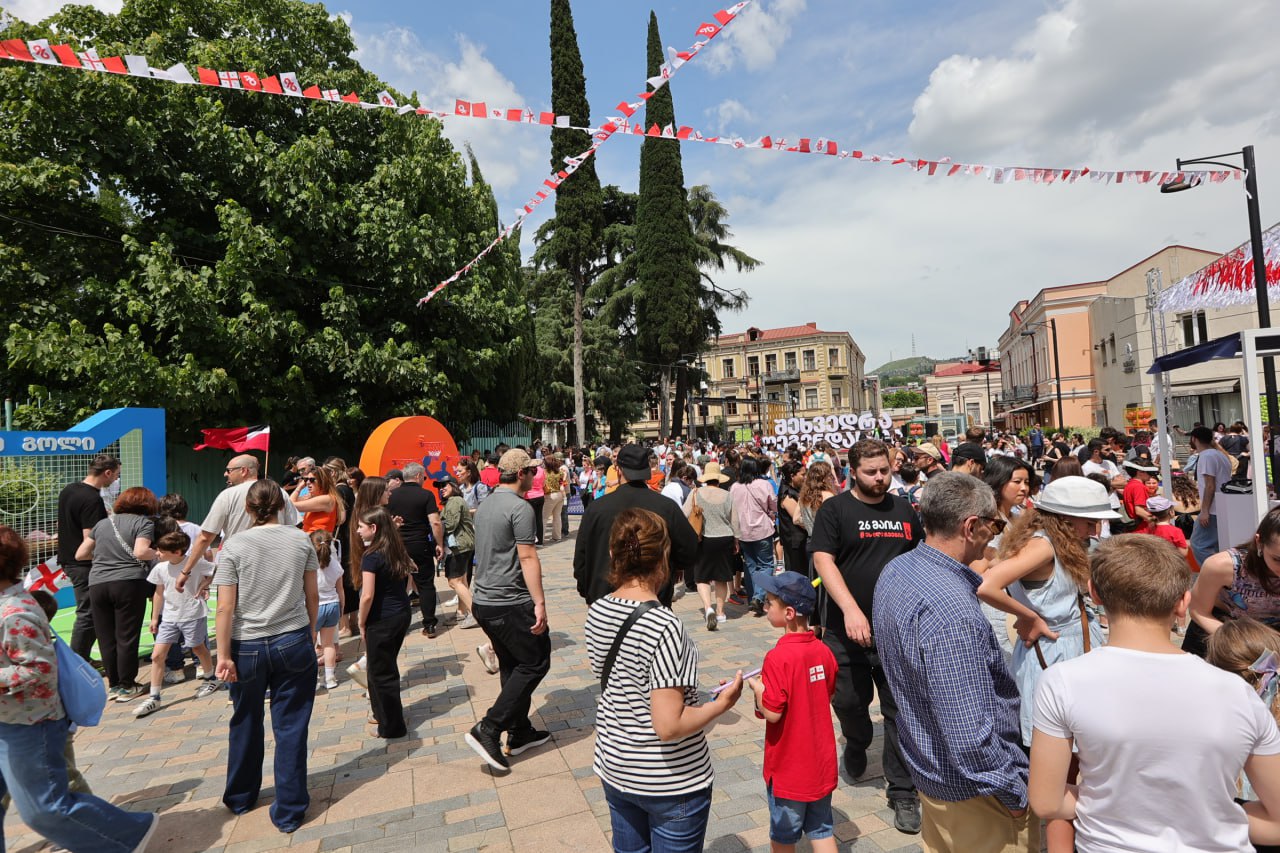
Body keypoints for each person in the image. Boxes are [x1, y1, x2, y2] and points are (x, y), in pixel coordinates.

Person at [1030, 534, 1280, 852]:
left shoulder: (1062, 681)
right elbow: (1276, 822)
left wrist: (1118, 804)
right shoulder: (1238, 692)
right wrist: (1207, 814)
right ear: (1183, 603)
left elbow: (1047, 802)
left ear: (1094, 593)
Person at [875, 473, 1038, 853]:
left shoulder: (897, 569)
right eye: (994, 525)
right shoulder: (952, 612)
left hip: (933, 774)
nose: (993, 535)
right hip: (977, 795)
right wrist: (1015, 795)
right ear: (971, 526)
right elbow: (969, 736)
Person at [585, 508, 743, 851]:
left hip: (616, 762)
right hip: (670, 780)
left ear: (613, 553)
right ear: (664, 558)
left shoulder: (598, 610)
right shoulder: (665, 626)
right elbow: (669, 726)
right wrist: (721, 705)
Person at [0, 525, 161, 851]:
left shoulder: (14, 614)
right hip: (11, 719)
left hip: (29, 724)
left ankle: (130, 833)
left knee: (45, 808)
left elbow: (38, 671)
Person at [809, 438, 924, 834]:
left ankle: (902, 790)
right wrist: (851, 609)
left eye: (884, 471)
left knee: (900, 711)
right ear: (853, 472)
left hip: (896, 630)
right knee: (849, 702)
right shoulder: (835, 510)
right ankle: (856, 741)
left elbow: (920, 556)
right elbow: (822, 559)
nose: (879, 478)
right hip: (845, 631)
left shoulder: (904, 509)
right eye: (870, 472)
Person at [214, 479, 319, 834]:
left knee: (245, 718)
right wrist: (311, 632)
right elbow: (312, 595)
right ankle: (289, 809)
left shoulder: (234, 546)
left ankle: (241, 796)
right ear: (283, 506)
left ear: (248, 508)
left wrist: (223, 654)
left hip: (246, 644)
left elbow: (225, 606)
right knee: (291, 726)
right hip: (293, 638)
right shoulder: (300, 539)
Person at [977, 477, 1112, 747]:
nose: (1095, 530)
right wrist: (1029, 617)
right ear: (1064, 519)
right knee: (1059, 741)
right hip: (1054, 651)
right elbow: (987, 585)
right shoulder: (1043, 546)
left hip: (1064, 649)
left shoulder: (1052, 543)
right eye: (1089, 522)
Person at [465, 448, 552, 772]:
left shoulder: (486, 503)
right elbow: (527, 557)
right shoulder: (520, 507)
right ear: (520, 474)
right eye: (531, 471)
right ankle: (489, 727)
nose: (535, 475)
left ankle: (519, 731)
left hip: (484, 601)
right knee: (535, 661)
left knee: (512, 665)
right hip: (509, 601)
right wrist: (539, 602)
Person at [747, 572, 838, 853]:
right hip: (820, 765)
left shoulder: (778, 658)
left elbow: (772, 712)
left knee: (784, 836)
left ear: (788, 613)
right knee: (821, 830)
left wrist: (757, 689)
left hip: (789, 769)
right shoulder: (824, 651)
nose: (764, 606)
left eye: (769, 602)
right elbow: (827, 694)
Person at [575, 444, 699, 608]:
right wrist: (672, 566)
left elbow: (581, 560)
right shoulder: (666, 506)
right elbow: (689, 550)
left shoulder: (596, 509)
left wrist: (589, 592)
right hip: (653, 598)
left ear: (619, 470)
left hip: (605, 598)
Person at [76, 486, 159, 701]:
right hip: (128, 583)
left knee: (106, 636)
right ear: (146, 504)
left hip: (97, 583)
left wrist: (104, 557)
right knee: (127, 635)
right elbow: (141, 551)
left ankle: (113, 684)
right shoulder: (143, 523)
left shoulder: (103, 524)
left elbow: (81, 554)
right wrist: (158, 554)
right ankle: (127, 684)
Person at [178, 455, 299, 592]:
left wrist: (185, 571)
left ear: (243, 470)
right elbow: (292, 528)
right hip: (275, 567)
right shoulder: (280, 493)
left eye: (229, 470)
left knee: (231, 605)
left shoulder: (228, 495)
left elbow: (205, 537)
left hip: (236, 568)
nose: (225, 474)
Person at [133, 531, 220, 718]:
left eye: (161, 551)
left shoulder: (195, 563)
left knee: (198, 648)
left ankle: (211, 678)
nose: (157, 553)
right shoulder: (160, 568)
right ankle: (154, 696)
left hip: (192, 614)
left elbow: (215, 569)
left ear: (177, 552)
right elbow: (158, 593)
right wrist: (154, 618)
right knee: (157, 655)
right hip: (169, 617)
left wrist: (205, 585)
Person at [1188, 507, 1280, 657]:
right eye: (1277, 559)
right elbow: (1198, 611)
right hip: (1221, 632)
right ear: (1259, 542)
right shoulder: (1223, 566)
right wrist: (1241, 642)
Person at [356, 507, 413, 739]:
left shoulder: (371, 556)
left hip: (383, 619)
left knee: (383, 672)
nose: (358, 531)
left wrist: (361, 621)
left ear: (374, 528)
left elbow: (367, 595)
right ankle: (381, 714)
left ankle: (392, 726)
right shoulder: (395, 548)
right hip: (400, 613)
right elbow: (411, 572)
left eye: (361, 526)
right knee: (380, 667)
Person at [56, 453, 119, 662]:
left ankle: (82, 658)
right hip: (84, 563)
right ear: (107, 473)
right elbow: (89, 539)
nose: (116, 479)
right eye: (116, 475)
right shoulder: (92, 499)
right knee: (89, 613)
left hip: (68, 558)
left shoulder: (69, 490)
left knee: (90, 611)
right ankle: (78, 661)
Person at [386, 462, 445, 638]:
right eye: (424, 477)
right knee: (425, 584)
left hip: (397, 544)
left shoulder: (391, 495)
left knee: (398, 585)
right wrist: (439, 543)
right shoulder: (426, 495)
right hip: (420, 544)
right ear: (418, 476)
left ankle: (398, 625)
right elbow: (435, 522)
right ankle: (429, 624)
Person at [684, 461, 736, 631]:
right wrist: (737, 539)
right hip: (725, 538)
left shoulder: (695, 493)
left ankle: (708, 608)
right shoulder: (727, 495)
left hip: (704, 539)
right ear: (719, 479)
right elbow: (735, 520)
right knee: (722, 577)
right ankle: (721, 612)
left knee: (702, 577)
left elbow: (685, 513)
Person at [732, 457, 778, 615]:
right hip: (762, 530)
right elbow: (774, 505)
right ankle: (758, 597)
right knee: (766, 565)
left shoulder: (735, 487)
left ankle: (754, 597)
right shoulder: (764, 484)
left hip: (743, 532)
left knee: (751, 565)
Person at [437, 477, 477, 629]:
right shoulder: (455, 501)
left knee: (454, 582)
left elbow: (450, 525)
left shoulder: (454, 501)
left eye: (444, 485)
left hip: (459, 546)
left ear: (453, 486)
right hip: (464, 545)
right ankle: (461, 612)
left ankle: (475, 613)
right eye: (439, 486)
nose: (441, 488)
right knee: (462, 581)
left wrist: (434, 527)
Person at [1190, 425, 1233, 566]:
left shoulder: (1206, 456)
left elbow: (1210, 485)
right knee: (1217, 546)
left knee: (1199, 545)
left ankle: (1214, 573)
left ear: (1194, 439)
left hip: (1212, 510)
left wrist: (1204, 511)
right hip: (1223, 507)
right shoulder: (1220, 455)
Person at [309, 530, 346, 690]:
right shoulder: (335, 564)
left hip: (314, 607)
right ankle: (330, 677)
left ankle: (312, 678)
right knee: (329, 644)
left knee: (310, 645)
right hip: (333, 605)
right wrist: (342, 607)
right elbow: (340, 589)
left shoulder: (309, 565)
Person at [542, 456, 567, 544]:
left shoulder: (545, 472)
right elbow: (564, 478)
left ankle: (541, 538)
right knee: (557, 516)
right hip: (560, 494)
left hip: (550, 495)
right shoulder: (559, 472)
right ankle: (557, 536)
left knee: (544, 517)